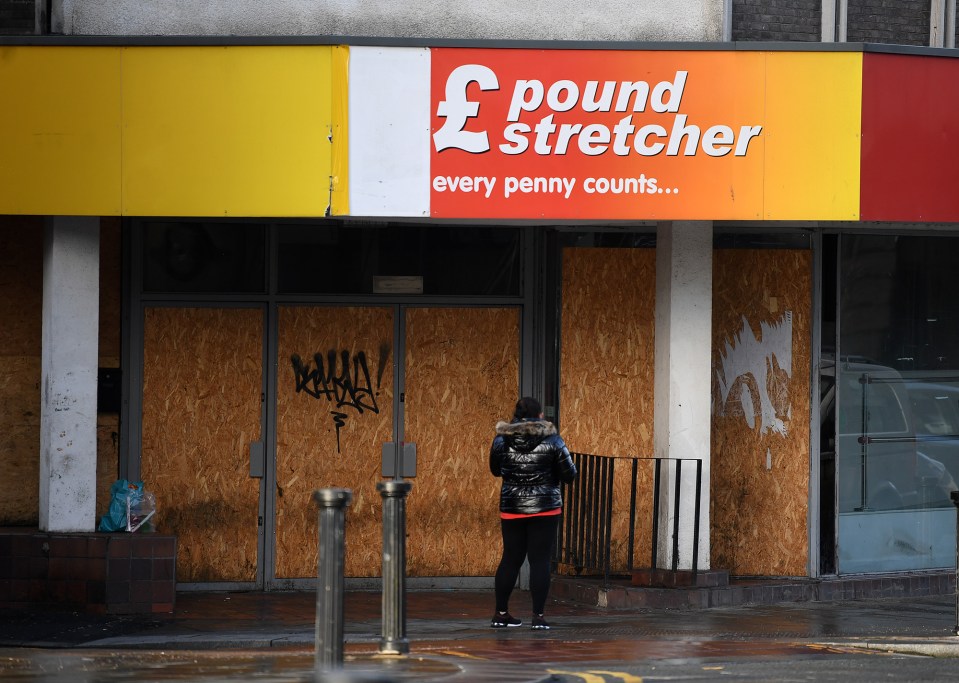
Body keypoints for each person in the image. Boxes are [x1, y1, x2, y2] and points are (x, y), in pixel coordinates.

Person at [488, 396, 577, 630]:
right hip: (545, 508)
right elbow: (570, 474)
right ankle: (538, 617)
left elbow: (496, 470)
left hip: (513, 507)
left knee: (510, 559)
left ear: (516, 415)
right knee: (540, 561)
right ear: (540, 416)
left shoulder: (501, 440)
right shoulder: (553, 440)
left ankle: (501, 613)